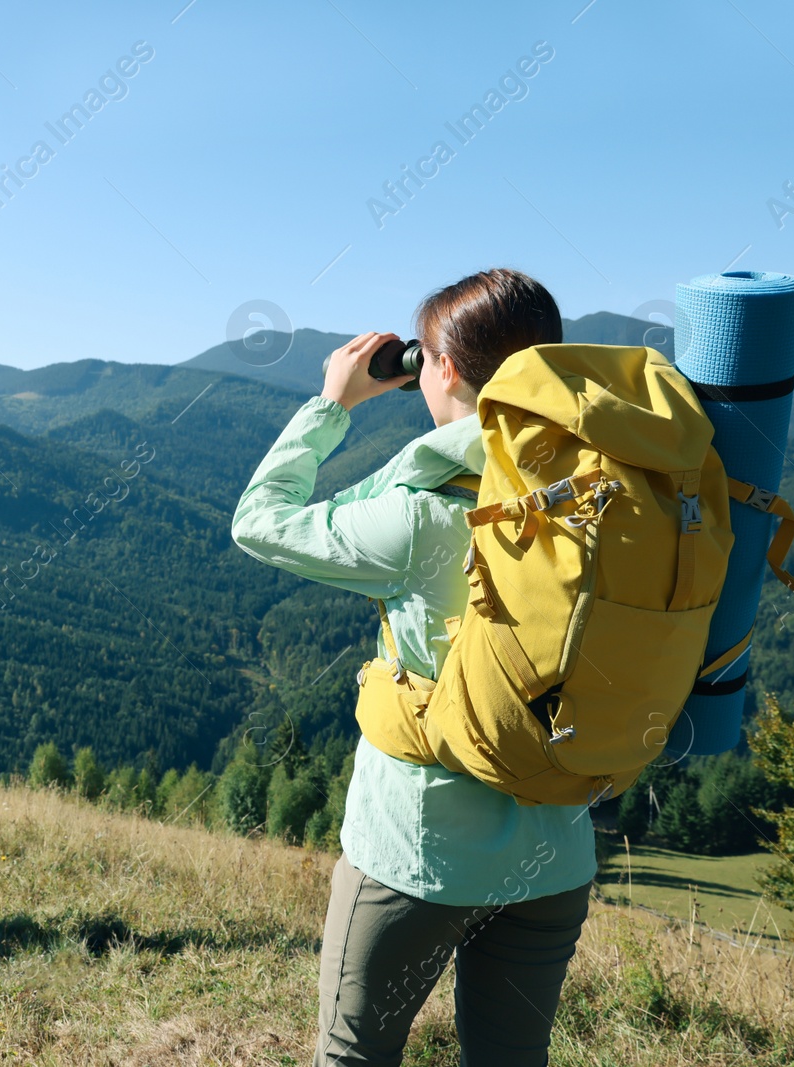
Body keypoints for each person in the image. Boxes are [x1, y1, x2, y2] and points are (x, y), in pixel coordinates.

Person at [230, 269, 596, 1066]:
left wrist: (333, 405)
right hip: (556, 849)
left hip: (418, 852)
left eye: (427, 357)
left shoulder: (421, 510)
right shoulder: (604, 487)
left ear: (444, 370)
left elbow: (259, 522)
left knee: (354, 1055)